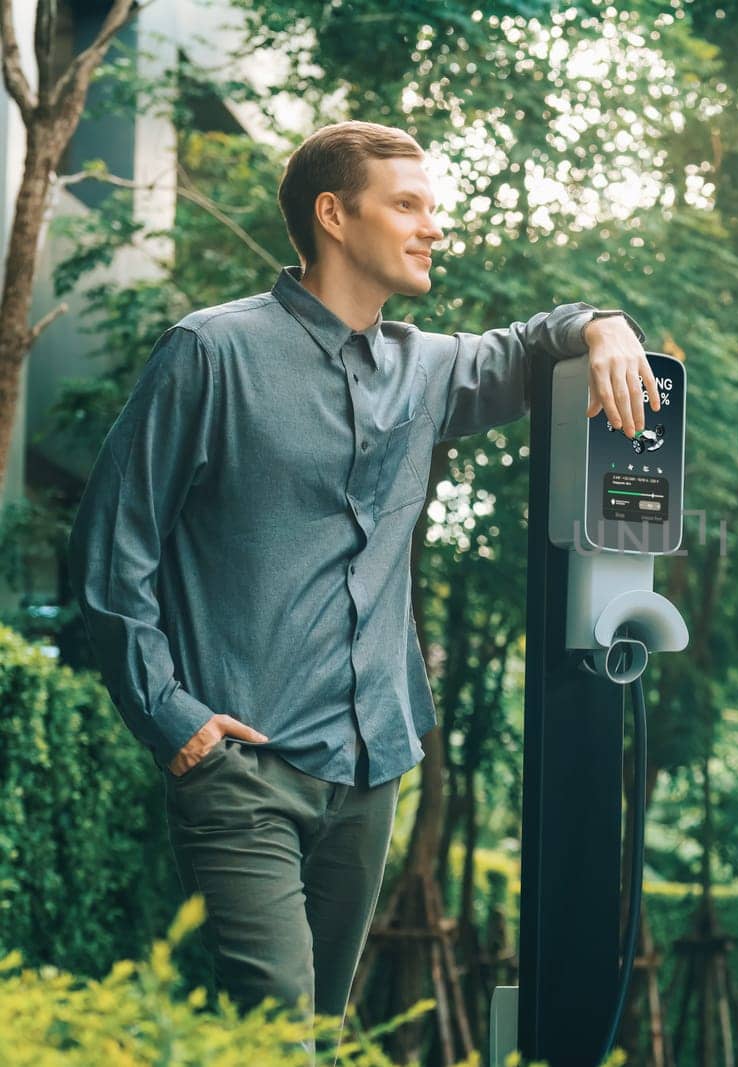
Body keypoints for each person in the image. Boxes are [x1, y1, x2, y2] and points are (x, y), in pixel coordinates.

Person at [66, 119, 659, 1049]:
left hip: (369, 768)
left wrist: (605, 324)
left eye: (434, 208)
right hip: (243, 764)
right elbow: (112, 551)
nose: (433, 228)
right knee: (278, 1037)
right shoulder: (210, 353)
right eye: (410, 206)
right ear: (333, 215)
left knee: (317, 1027)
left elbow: (530, 344)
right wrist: (173, 719)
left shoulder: (426, 368)